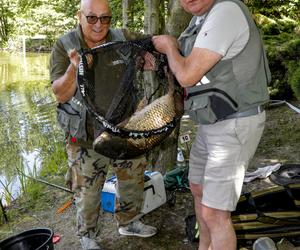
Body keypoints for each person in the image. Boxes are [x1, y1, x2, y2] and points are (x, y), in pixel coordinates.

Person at [153, 0, 271, 249]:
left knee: (216, 214)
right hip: (212, 124)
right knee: (198, 188)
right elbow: (190, 65)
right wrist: (163, 59)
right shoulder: (200, 19)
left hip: (235, 123)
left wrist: (169, 46)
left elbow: (187, 75)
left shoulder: (225, 11)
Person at [49, 0, 157, 249]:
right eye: (92, 18)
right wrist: (74, 70)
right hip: (86, 138)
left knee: (132, 181)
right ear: (79, 16)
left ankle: (129, 222)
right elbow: (60, 94)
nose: (99, 25)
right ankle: (88, 235)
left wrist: (156, 53)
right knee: (87, 194)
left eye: (105, 18)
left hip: (125, 130)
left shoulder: (122, 37)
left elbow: (155, 41)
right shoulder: (65, 45)